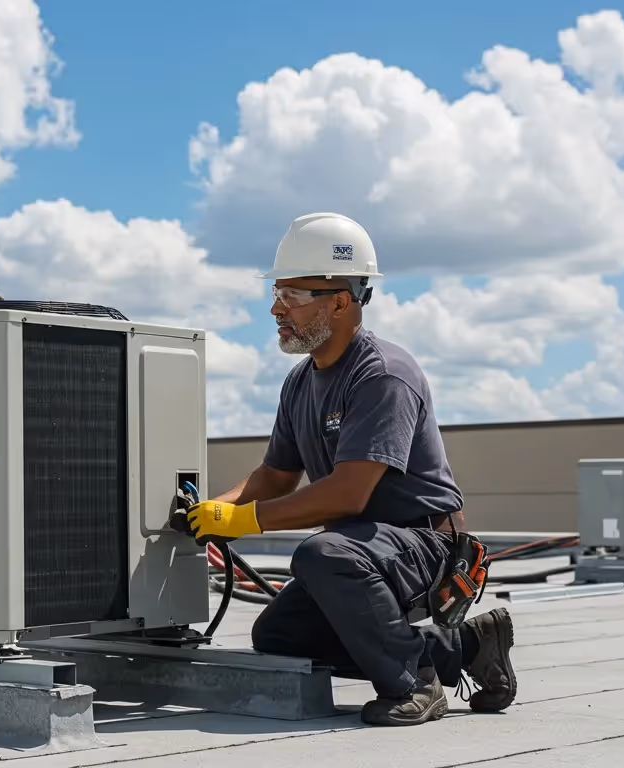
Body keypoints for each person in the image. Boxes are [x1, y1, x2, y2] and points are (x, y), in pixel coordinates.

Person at [185, 212, 516, 727]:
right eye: (277, 294)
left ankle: (414, 684)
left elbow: (348, 495)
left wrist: (246, 522)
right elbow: (275, 475)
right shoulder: (301, 383)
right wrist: (213, 509)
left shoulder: (382, 375)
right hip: (362, 549)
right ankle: (465, 649)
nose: (276, 309)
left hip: (425, 545)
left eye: (292, 297)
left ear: (340, 301)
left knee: (322, 553)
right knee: (278, 637)